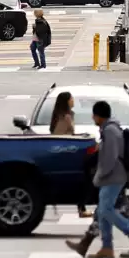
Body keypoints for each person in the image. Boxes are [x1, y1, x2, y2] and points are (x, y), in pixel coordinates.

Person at [90, 100, 129, 258]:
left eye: (93, 115)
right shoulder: (109, 129)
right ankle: (107, 247)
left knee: (106, 210)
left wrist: (100, 175)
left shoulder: (110, 131)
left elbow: (110, 157)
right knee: (104, 212)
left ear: (97, 116)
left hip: (113, 177)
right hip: (111, 176)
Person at [50, 91, 92, 219]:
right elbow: (59, 135)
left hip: (66, 151)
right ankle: (81, 208)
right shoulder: (65, 117)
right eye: (71, 98)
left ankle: (82, 207)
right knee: (82, 180)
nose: (73, 100)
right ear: (67, 101)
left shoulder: (64, 115)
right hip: (65, 152)